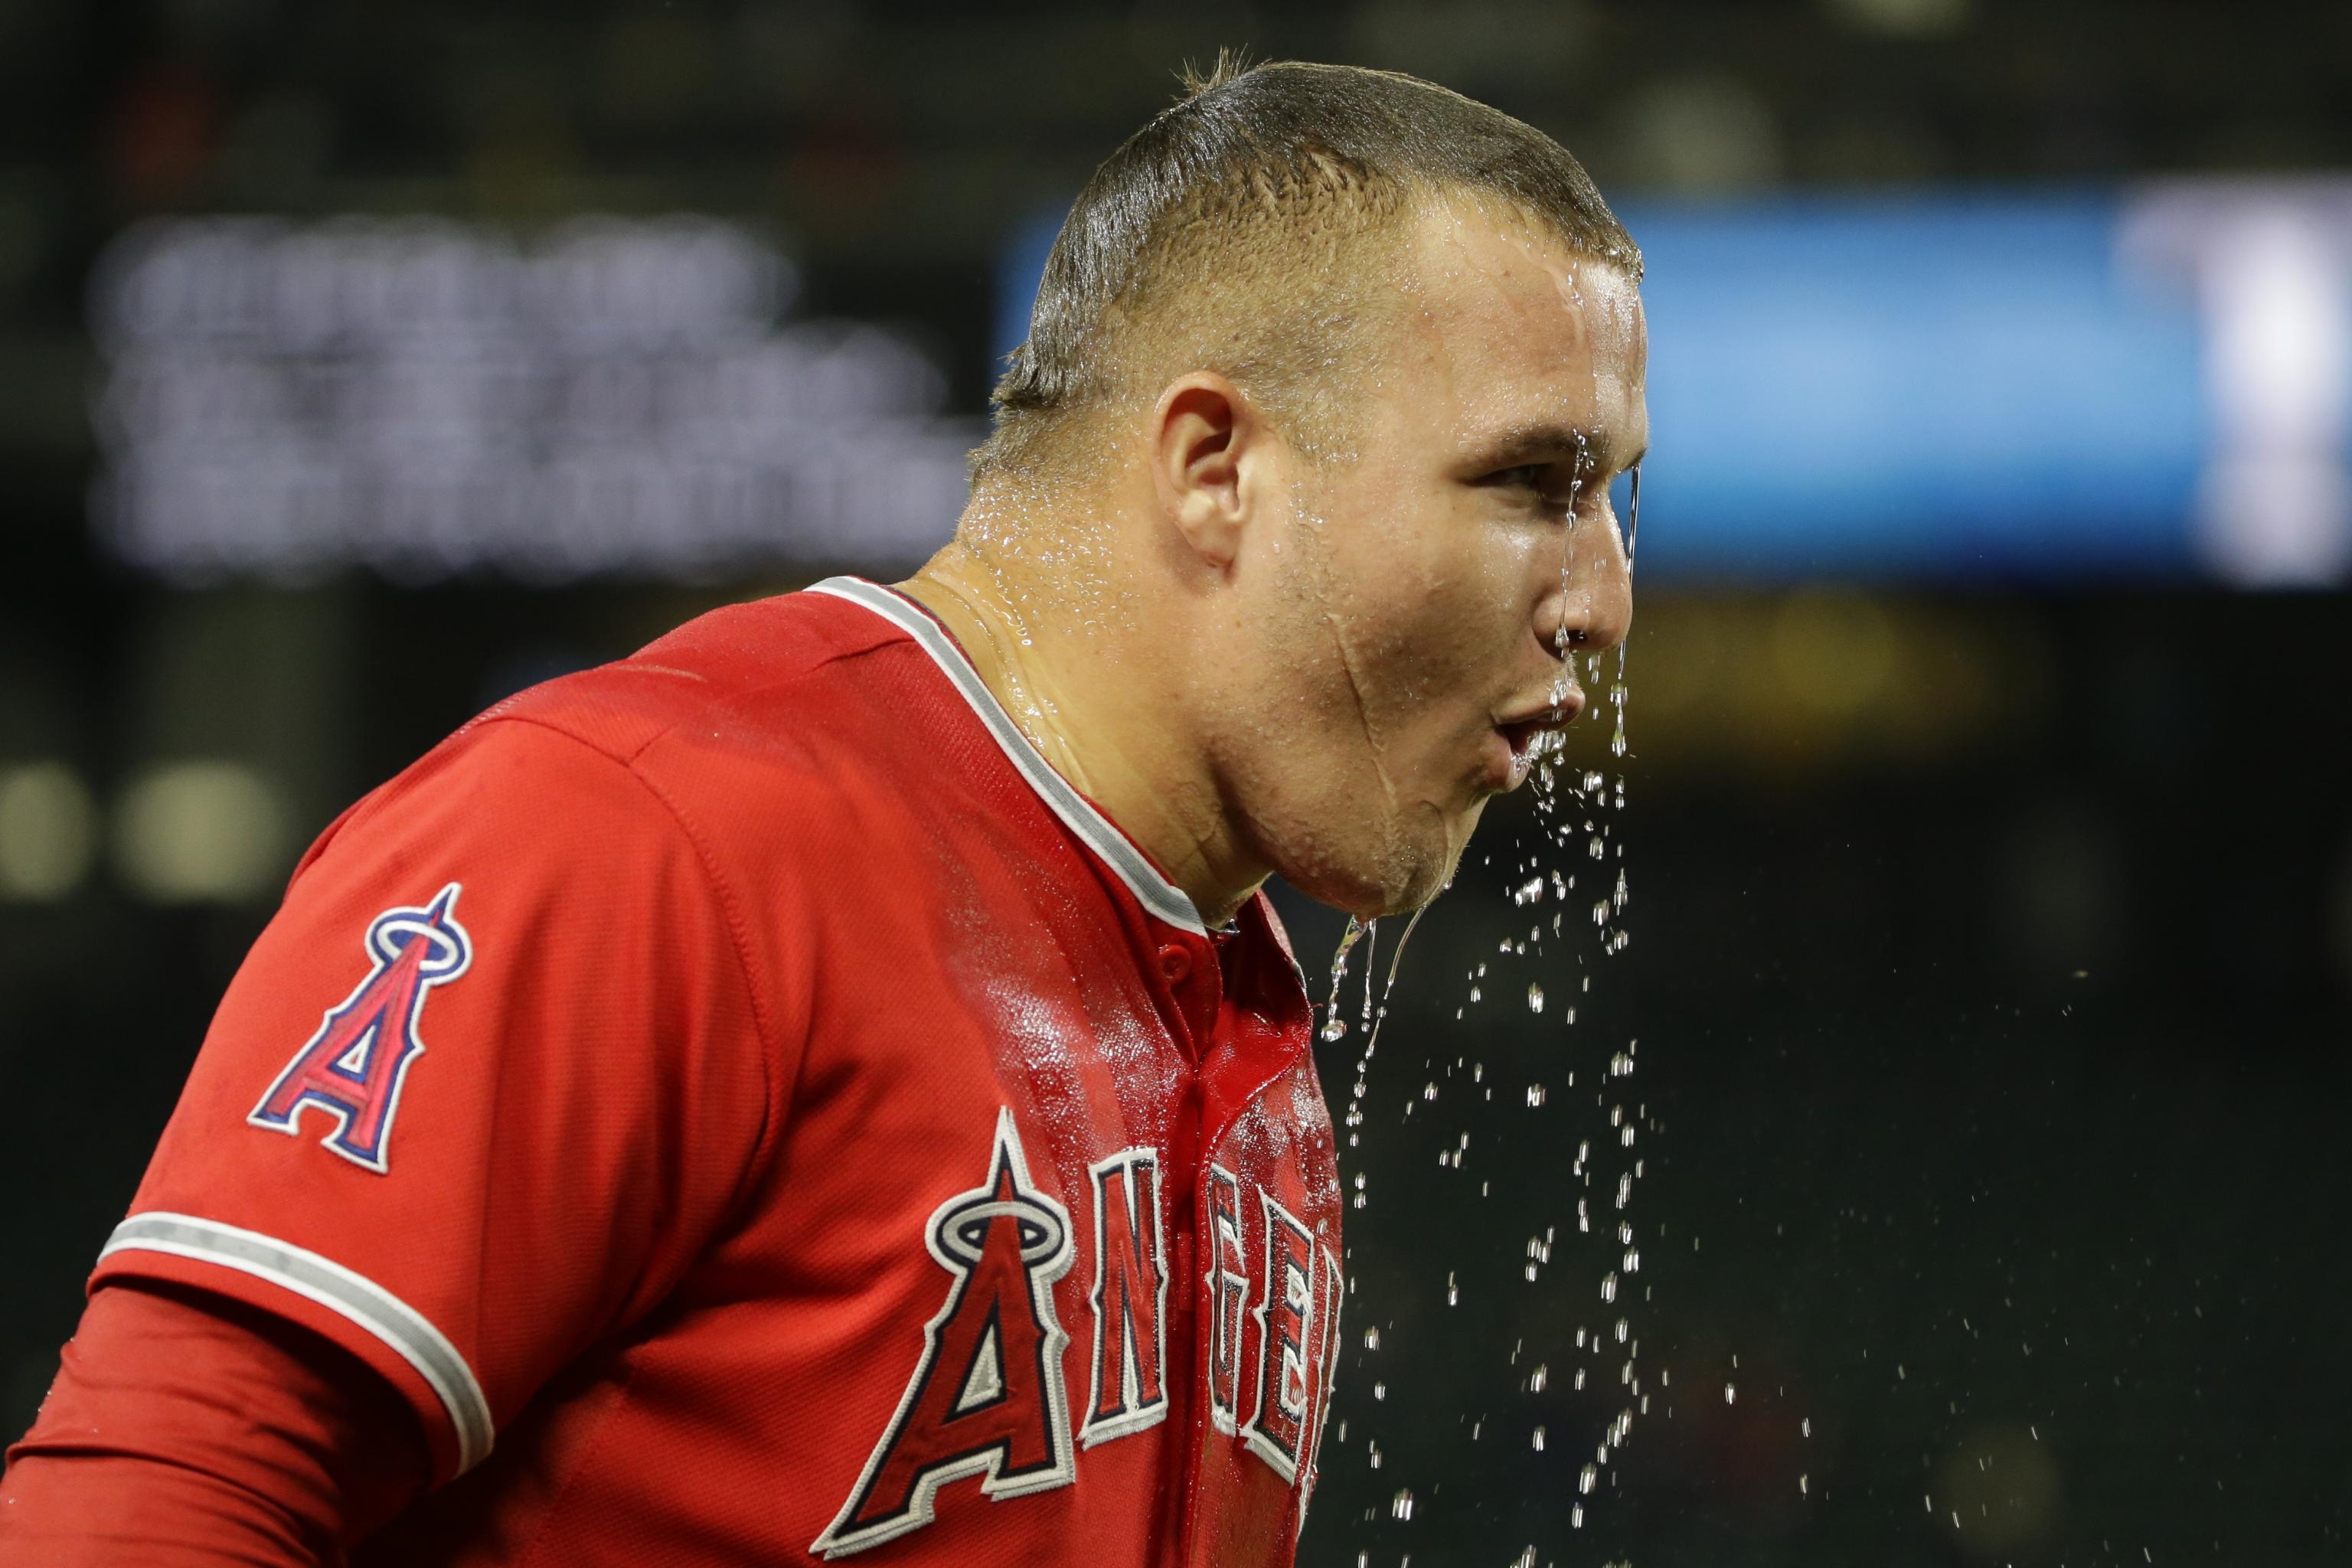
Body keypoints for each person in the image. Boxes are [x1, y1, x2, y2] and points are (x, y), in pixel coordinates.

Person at [1, 56, 1645, 1567]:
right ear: (1216, 465)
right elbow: (157, 1503)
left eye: (1613, 497)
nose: (1605, 597)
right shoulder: (645, 832)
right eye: (1533, 485)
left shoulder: (1243, 999)